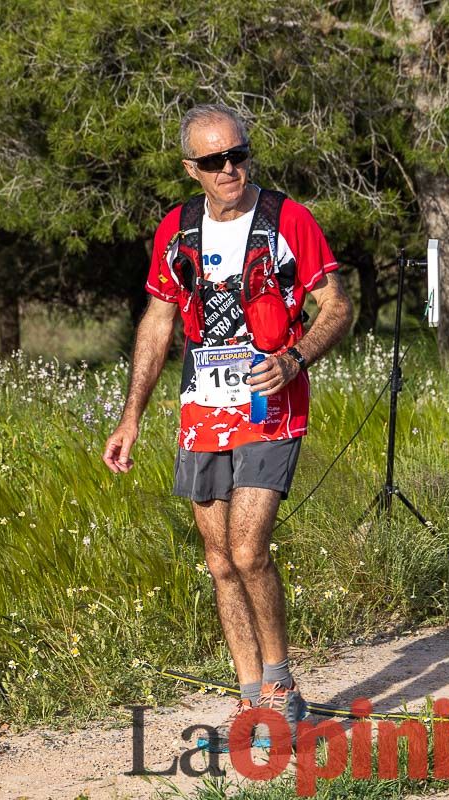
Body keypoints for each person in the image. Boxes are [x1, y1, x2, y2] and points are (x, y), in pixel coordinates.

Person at [102, 103, 353, 751]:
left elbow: (336, 305)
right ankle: (252, 704)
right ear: (192, 169)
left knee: (248, 550)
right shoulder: (177, 229)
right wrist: (131, 416)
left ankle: (282, 689)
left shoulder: (287, 219)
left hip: (272, 408)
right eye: (214, 161)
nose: (230, 169)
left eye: (238, 155)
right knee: (218, 561)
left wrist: (296, 356)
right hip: (201, 410)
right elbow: (157, 323)